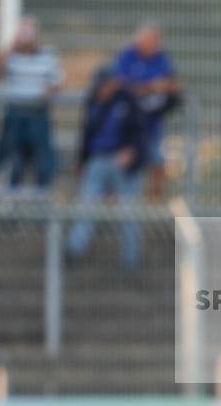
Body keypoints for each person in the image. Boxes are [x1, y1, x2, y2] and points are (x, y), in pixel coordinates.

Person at [66, 69, 148, 272]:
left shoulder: (128, 102)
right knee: (87, 208)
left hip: (124, 164)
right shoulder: (94, 102)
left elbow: (141, 133)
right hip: (97, 161)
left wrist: (132, 152)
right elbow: (85, 133)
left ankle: (131, 262)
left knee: (129, 213)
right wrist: (81, 160)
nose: (101, 90)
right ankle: (73, 252)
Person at [112, 24, 181, 201]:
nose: (155, 44)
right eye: (152, 41)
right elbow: (120, 85)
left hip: (153, 124)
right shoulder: (127, 57)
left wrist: (154, 87)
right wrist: (151, 87)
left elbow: (173, 84)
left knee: (157, 161)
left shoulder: (161, 58)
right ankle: (122, 201)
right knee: (129, 162)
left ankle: (154, 203)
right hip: (129, 125)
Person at [0, 16, 63, 188]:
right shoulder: (11, 55)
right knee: (14, 163)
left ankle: (42, 204)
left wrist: (48, 91)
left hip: (38, 115)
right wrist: (11, 46)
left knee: (42, 164)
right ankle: (15, 205)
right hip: (15, 115)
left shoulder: (48, 55)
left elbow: (58, 82)